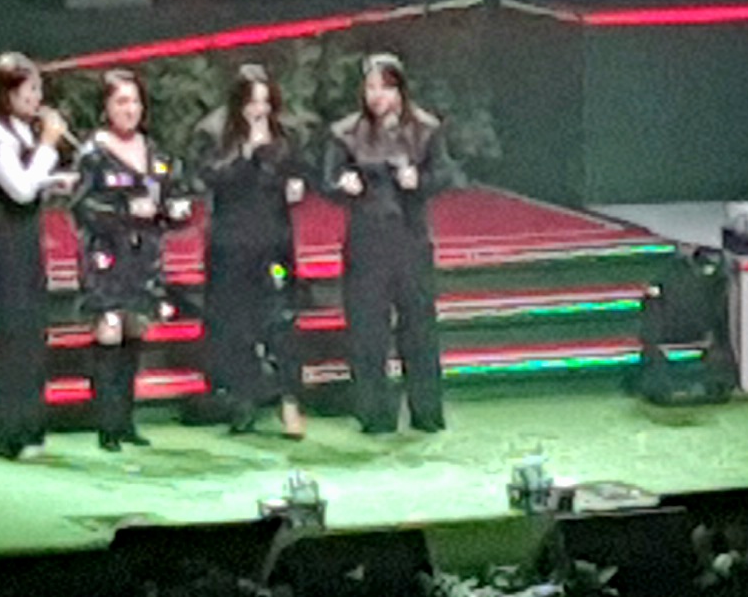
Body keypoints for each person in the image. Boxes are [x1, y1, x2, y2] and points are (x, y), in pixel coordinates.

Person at [324, 52, 457, 434]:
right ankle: (375, 415)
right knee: (368, 333)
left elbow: (445, 174)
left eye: (385, 87)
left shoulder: (426, 128)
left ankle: (426, 413)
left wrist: (420, 182)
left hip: (410, 240)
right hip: (367, 241)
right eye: (370, 87)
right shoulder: (345, 132)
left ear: (400, 90)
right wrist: (342, 185)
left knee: (419, 331)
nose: (377, 95)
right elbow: (326, 180)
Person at [70, 69, 189, 450]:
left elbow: (171, 192)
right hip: (108, 254)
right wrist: (124, 210)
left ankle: (125, 420)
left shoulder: (156, 153)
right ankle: (107, 425)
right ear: (106, 106)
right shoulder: (93, 154)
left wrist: (175, 209)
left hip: (144, 256)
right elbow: (82, 206)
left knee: (136, 328)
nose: (130, 109)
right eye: (121, 101)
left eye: (135, 101)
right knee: (109, 327)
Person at [191, 62, 310, 437]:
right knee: (236, 325)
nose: (260, 110)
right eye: (252, 102)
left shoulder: (285, 133)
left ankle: (289, 400)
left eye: (265, 102)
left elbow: (300, 170)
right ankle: (243, 401)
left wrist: (296, 183)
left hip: (274, 243)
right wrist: (246, 153)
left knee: (281, 319)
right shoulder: (214, 132)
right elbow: (210, 177)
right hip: (231, 245)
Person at [0, 53, 72, 458]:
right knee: (9, 333)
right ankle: (1, 432)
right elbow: (20, 190)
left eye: (39, 90)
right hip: (2, 240)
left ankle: (29, 427)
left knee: (31, 332)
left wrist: (56, 180)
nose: (37, 99)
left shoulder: (21, 130)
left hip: (26, 237)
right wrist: (48, 145)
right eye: (30, 90)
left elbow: (32, 182)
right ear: (8, 93)